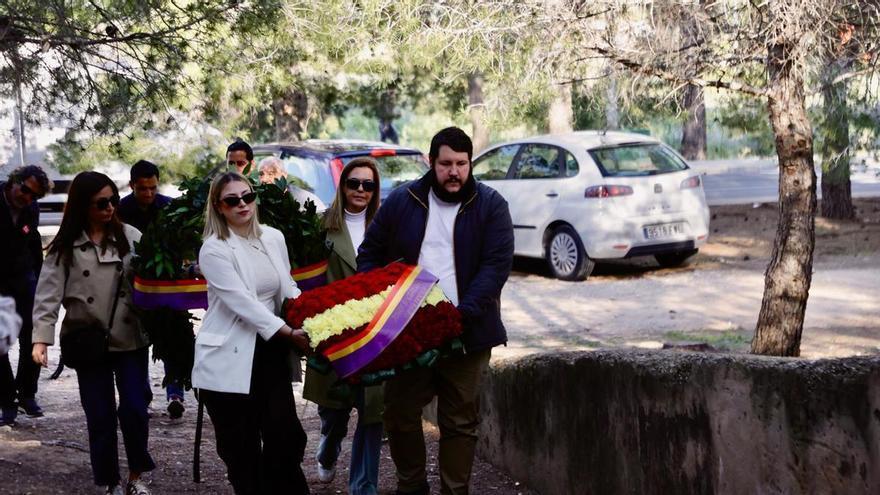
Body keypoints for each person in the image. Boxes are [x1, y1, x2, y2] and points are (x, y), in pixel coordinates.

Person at [357, 127, 514, 495]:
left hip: (468, 332)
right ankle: (411, 486)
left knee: (460, 421)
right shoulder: (403, 200)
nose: (454, 172)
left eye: (462, 163)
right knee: (399, 414)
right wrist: (380, 299)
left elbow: (495, 267)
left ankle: (454, 491)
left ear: (470, 163)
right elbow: (370, 253)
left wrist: (462, 315)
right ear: (431, 162)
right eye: (446, 164)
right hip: (408, 332)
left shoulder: (492, 205)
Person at [31, 171, 155, 495]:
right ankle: (109, 481)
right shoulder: (65, 247)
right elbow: (47, 295)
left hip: (130, 338)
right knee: (100, 415)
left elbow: (154, 278)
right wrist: (41, 338)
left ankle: (136, 477)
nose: (110, 207)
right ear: (82, 206)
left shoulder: (130, 236)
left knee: (135, 409)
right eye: (101, 203)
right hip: (87, 340)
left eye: (113, 200)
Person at [192, 172, 311, 494]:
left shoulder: (273, 237)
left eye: (247, 196)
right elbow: (242, 303)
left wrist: (312, 316)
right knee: (241, 450)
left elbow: (288, 287)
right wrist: (287, 332)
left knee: (285, 436)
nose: (242, 204)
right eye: (232, 200)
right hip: (229, 357)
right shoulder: (213, 249)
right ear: (219, 206)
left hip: (270, 350)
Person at [303, 158, 383, 494]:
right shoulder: (321, 226)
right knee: (334, 413)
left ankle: (363, 485)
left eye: (368, 185)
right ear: (343, 186)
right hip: (334, 332)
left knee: (372, 412)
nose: (361, 190)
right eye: (354, 183)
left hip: (376, 332)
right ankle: (328, 450)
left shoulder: (385, 225)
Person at [116, 160, 186, 419]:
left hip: (166, 282)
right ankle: (142, 397)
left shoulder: (169, 207)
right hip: (133, 284)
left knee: (171, 337)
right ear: (132, 185)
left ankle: (175, 393)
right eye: (143, 188)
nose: (148, 193)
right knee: (137, 342)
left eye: (153, 188)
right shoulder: (120, 210)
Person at [0, 165, 52, 425]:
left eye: (35, 196)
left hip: (24, 277)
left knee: (34, 334)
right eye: (25, 190)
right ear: (14, 181)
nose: (28, 198)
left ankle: (27, 393)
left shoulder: (31, 209)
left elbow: (32, 242)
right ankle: (7, 401)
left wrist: (41, 279)